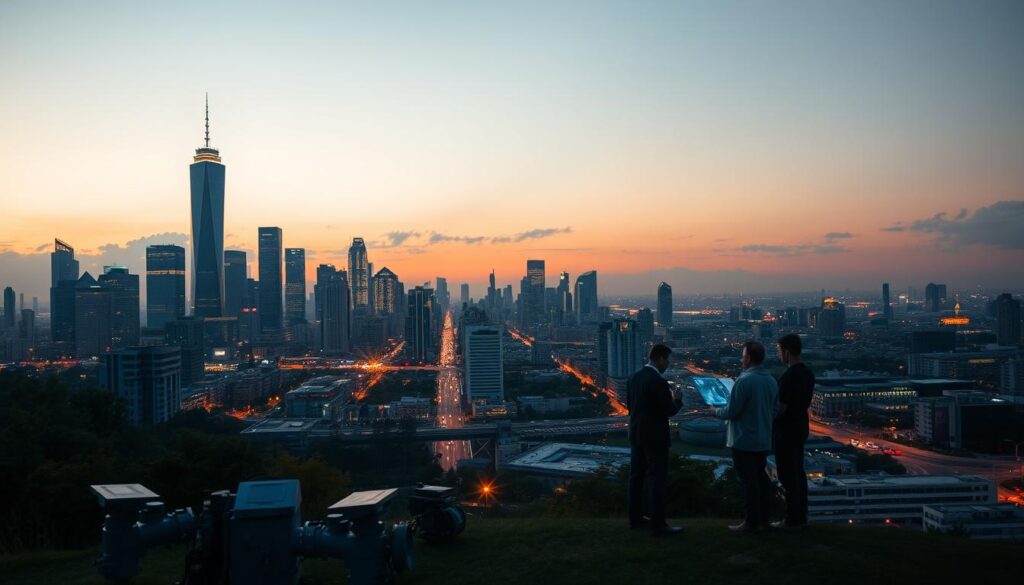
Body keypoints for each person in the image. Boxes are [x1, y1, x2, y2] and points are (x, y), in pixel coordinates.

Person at [711, 340, 778, 533]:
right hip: (763, 438)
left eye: (743, 355)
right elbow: (774, 410)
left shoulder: (744, 380)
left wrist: (715, 411)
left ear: (748, 358)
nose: (741, 359)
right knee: (761, 480)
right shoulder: (771, 380)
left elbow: (732, 411)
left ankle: (750, 522)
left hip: (743, 439)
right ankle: (764, 520)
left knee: (748, 482)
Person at [626, 343, 683, 536]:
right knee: (657, 479)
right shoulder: (658, 382)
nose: (667, 365)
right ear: (659, 358)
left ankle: (635, 519)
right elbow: (669, 411)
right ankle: (658, 524)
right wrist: (677, 399)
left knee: (636, 478)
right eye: (667, 360)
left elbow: (629, 407)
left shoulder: (634, 377)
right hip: (656, 438)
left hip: (636, 434)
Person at [771, 333, 815, 529]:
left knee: (787, 474)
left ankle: (791, 518)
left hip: (786, 429)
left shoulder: (788, 376)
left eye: (779, 350)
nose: (779, 354)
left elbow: (781, 409)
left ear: (787, 351)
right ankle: (801, 516)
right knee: (798, 472)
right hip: (801, 426)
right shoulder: (807, 373)